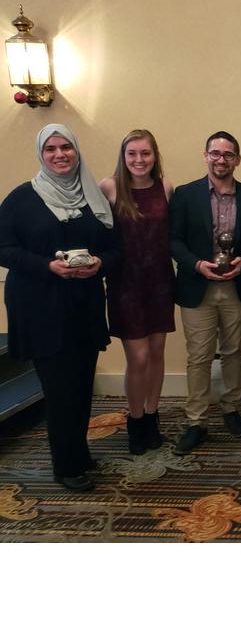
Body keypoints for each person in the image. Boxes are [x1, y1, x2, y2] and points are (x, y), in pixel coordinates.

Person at [0, 124, 118, 491]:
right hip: (40, 306)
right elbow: (3, 249)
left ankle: (78, 453)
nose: (59, 154)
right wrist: (46, 266)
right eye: (50, 149)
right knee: (60, 388)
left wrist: (101, 263)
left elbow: (115, 248)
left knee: (82, 384)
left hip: (82, 304)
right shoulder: (22, 198)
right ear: (41, 154)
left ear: (77, 150)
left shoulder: (91, 197)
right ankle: (65, 466)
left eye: (66, 147)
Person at [169, 131, 241, 455]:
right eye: (215, 153)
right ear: (205, 155)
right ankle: (196, 421)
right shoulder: (184, 194)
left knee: (234, 350)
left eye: (228, 154)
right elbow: (173, 240)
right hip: (198, 287)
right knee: (199, 357)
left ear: (237, 159)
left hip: (235, 285)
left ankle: (231, 408)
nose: (221, 159)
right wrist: (196, 264)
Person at [99, 129, 175, 455]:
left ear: (155, 155)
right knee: (138, 357)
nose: (139, 160)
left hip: (160, 281)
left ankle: (152, 416)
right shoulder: (110, 187)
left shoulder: (166, 187)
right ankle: (135, 418)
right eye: (132, 154)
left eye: (145, 153)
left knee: (157, 354)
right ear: (124, 156)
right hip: (125, 283)